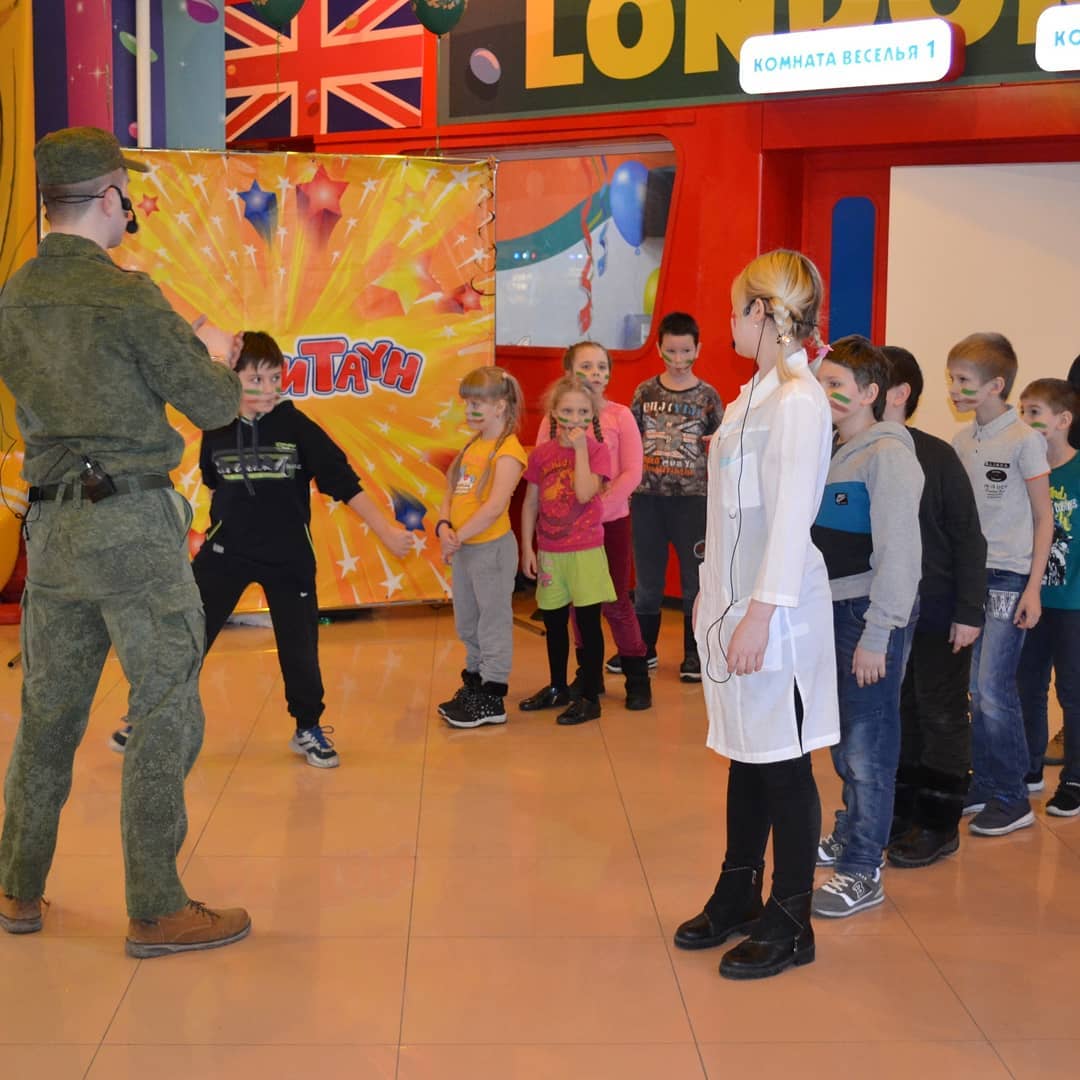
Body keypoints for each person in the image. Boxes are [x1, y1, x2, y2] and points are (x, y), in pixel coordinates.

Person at [0, 126, 249, 957]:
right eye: (128, 193)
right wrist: (218, 354)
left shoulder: (15, 295)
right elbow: (214, 405)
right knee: (165, 707)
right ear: (110, 198)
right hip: (135, 528)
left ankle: (17, 886)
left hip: (53, 530)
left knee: (47, 716)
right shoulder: (131, 296)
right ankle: (156, 906)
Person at [111, 331, 413, 766]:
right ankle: (149, 717)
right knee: (185, 636)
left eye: (275, 378)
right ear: (232, 380)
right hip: (226, 553)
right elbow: (213, 482)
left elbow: (344, 483)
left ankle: (307, 726)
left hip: (288, 557)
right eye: (256, 379)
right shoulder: (216, 428)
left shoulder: (296, 426)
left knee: (299, 647)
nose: (269, 389)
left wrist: (387, 531)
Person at [674, 249, 839, 980]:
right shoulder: (751, 399)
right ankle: (739, 888)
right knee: (747, 752)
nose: (730, 323)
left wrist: (760, 615)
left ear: (764, 313)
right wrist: (712, 595)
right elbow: (734, 517)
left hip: (776, 614)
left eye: (737, 309)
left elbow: (790, 521)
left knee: (785, 764)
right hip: (734, 605)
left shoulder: (799, 401)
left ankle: (792, 917)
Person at [811, 335, 923, 918]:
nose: (824, 393)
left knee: (868, 746)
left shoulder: (889, 456)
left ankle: (862, 868)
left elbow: (901, 557)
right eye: (821, 383)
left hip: (867, 616)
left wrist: (878, 634)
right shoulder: (833, 447)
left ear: (869, 393)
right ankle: (852, 828)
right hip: (832, 610)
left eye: (836, 385)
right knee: (844, 740)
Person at [880, 346, 987, 869]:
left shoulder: (937, 456)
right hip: (887, 614)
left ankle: (940, 823)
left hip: (941, 612)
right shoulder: (851, 451)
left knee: (941, 713)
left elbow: (968, 538)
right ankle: (903, 811)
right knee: (900, 711)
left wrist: (969, 611)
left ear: (898, 394)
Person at [948, 333, 1052, 837]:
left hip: (1010, 575)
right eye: (951, 378)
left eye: (963, 380)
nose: (954, 388)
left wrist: (1033, 587)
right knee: (975, 689)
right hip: (972, 578)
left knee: (994, 689)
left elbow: (1043, 517)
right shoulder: (962, 441)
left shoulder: (1024, 440)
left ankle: (1013, 797)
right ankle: (986, 782)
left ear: (995, 385)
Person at [535, 342, 651, 710]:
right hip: (566, 533)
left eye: (602, 367)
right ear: (569, 373)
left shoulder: (620, 416)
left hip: (609, 524)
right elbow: (543, 471)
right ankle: (589, 676)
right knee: (577, 604)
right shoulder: (553, 419)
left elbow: (632, 472)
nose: (596, 373)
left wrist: (596, 511)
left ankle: (637, 677)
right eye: (586, 366)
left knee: (615, 601)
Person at [623, 312, 723, 682]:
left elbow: (722, 446)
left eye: (686, 351)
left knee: (695, 580)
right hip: (647, 500)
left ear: (698, 349)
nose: (678, 359)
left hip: (693, 501)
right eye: (671, 351)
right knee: (647, 580)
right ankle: (644, 649)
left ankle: (694, 653)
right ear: (659, 349)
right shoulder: (644, 393)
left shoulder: (708, 396)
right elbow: (629, 442)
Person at [519, 376, 616, 726]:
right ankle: (557, 686)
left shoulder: (597, 451)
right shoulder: (541, 454)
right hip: (550, 550)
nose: (575, 419)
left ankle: (589, 696)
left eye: (583, 412)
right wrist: (527, 547)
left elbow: (586, 492)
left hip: (585, 550)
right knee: (554, 622)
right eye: (568, 411)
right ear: (553, 413)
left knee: (587, 624)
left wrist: (579, 450)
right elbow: (530, 503)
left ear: (592, 415)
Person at [436, 366, 527, 728]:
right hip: (466, 549)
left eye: (478, 403)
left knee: (492, 622)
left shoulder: (508, 451)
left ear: (500, 406)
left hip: (491, 550)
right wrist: (444, 527)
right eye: (467, 403)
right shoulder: (472, 445)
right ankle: (474, 682)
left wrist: (458, 536)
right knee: (468, 621)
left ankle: (492, 695)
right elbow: (450, 491)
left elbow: (494, 507)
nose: (470, 410)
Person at [1016, 379, 1080, 815]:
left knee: (1072, 693)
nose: (1026, 421)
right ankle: (1029, 766)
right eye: (1022, 411)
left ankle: (1074, 778)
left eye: (1034, 412)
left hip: (1073, 605)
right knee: (1027, 687)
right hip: (1031, 598)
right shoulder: (1027, 470)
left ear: (1063, 420)